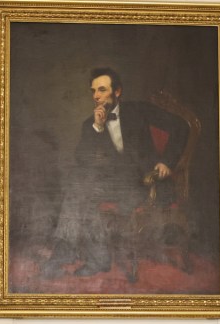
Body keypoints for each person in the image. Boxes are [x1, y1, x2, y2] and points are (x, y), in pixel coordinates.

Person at [47, 67, 188, 277]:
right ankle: (76, 255)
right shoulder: (90, 124)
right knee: (78, 186)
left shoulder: (139, 110)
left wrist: (166, 161)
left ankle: (91, 258)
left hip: (145, 183)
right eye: (93, 91)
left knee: (81, 188)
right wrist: (98, 128)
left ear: (118, 91)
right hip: (113, 185)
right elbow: (82, 160)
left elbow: (181, 126)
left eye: (102, 89)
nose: (96, 96)